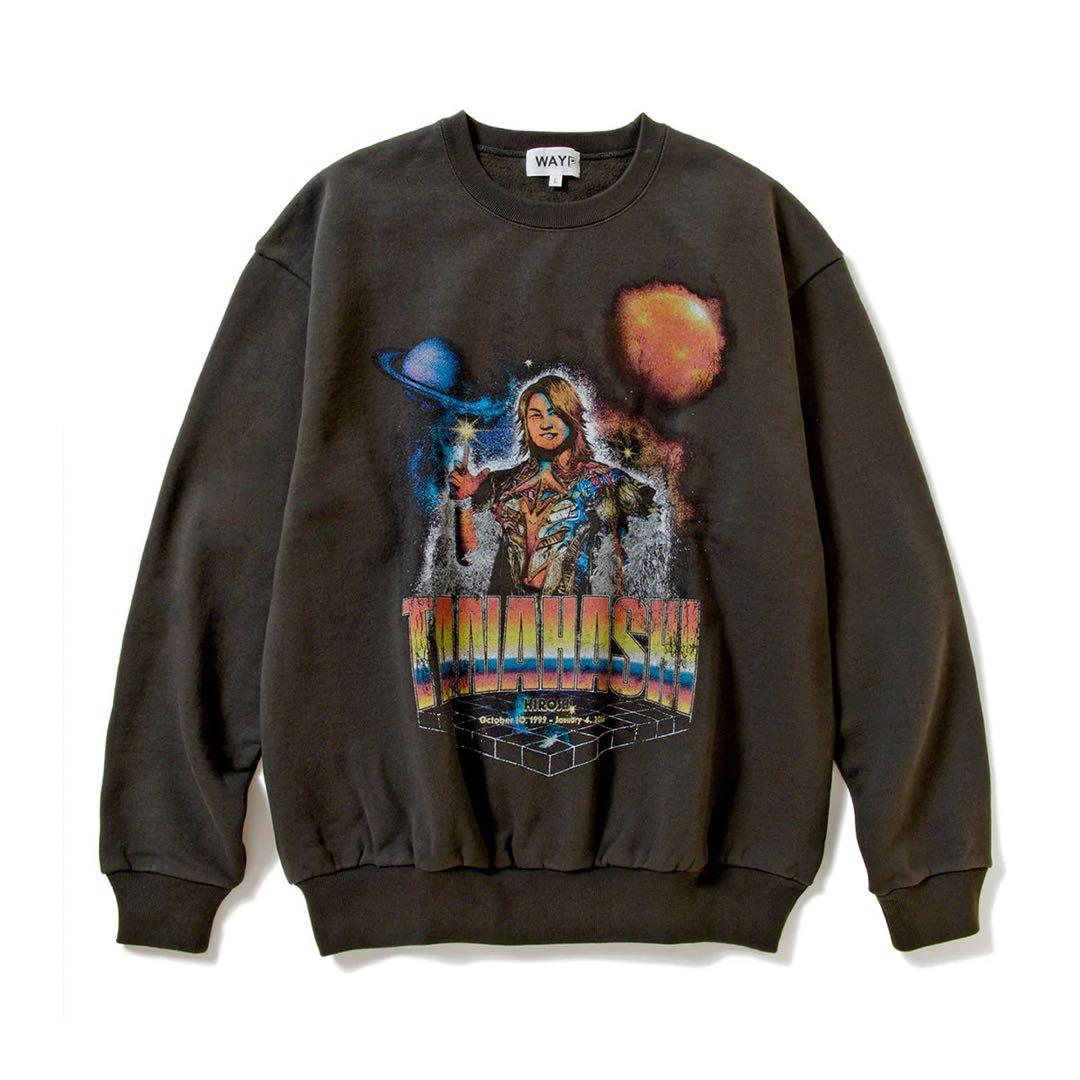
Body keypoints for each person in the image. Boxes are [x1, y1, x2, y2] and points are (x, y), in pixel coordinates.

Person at [449, 375, 655, 595]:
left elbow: (655, 529)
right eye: (535, 415)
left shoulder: (605, 480)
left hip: (575, 612)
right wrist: (464, 501)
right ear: (525, 423)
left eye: (554, 413)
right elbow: (469, 557)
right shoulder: (500, 483)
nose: (546, 424)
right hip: (508, 611)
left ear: (572, 417)